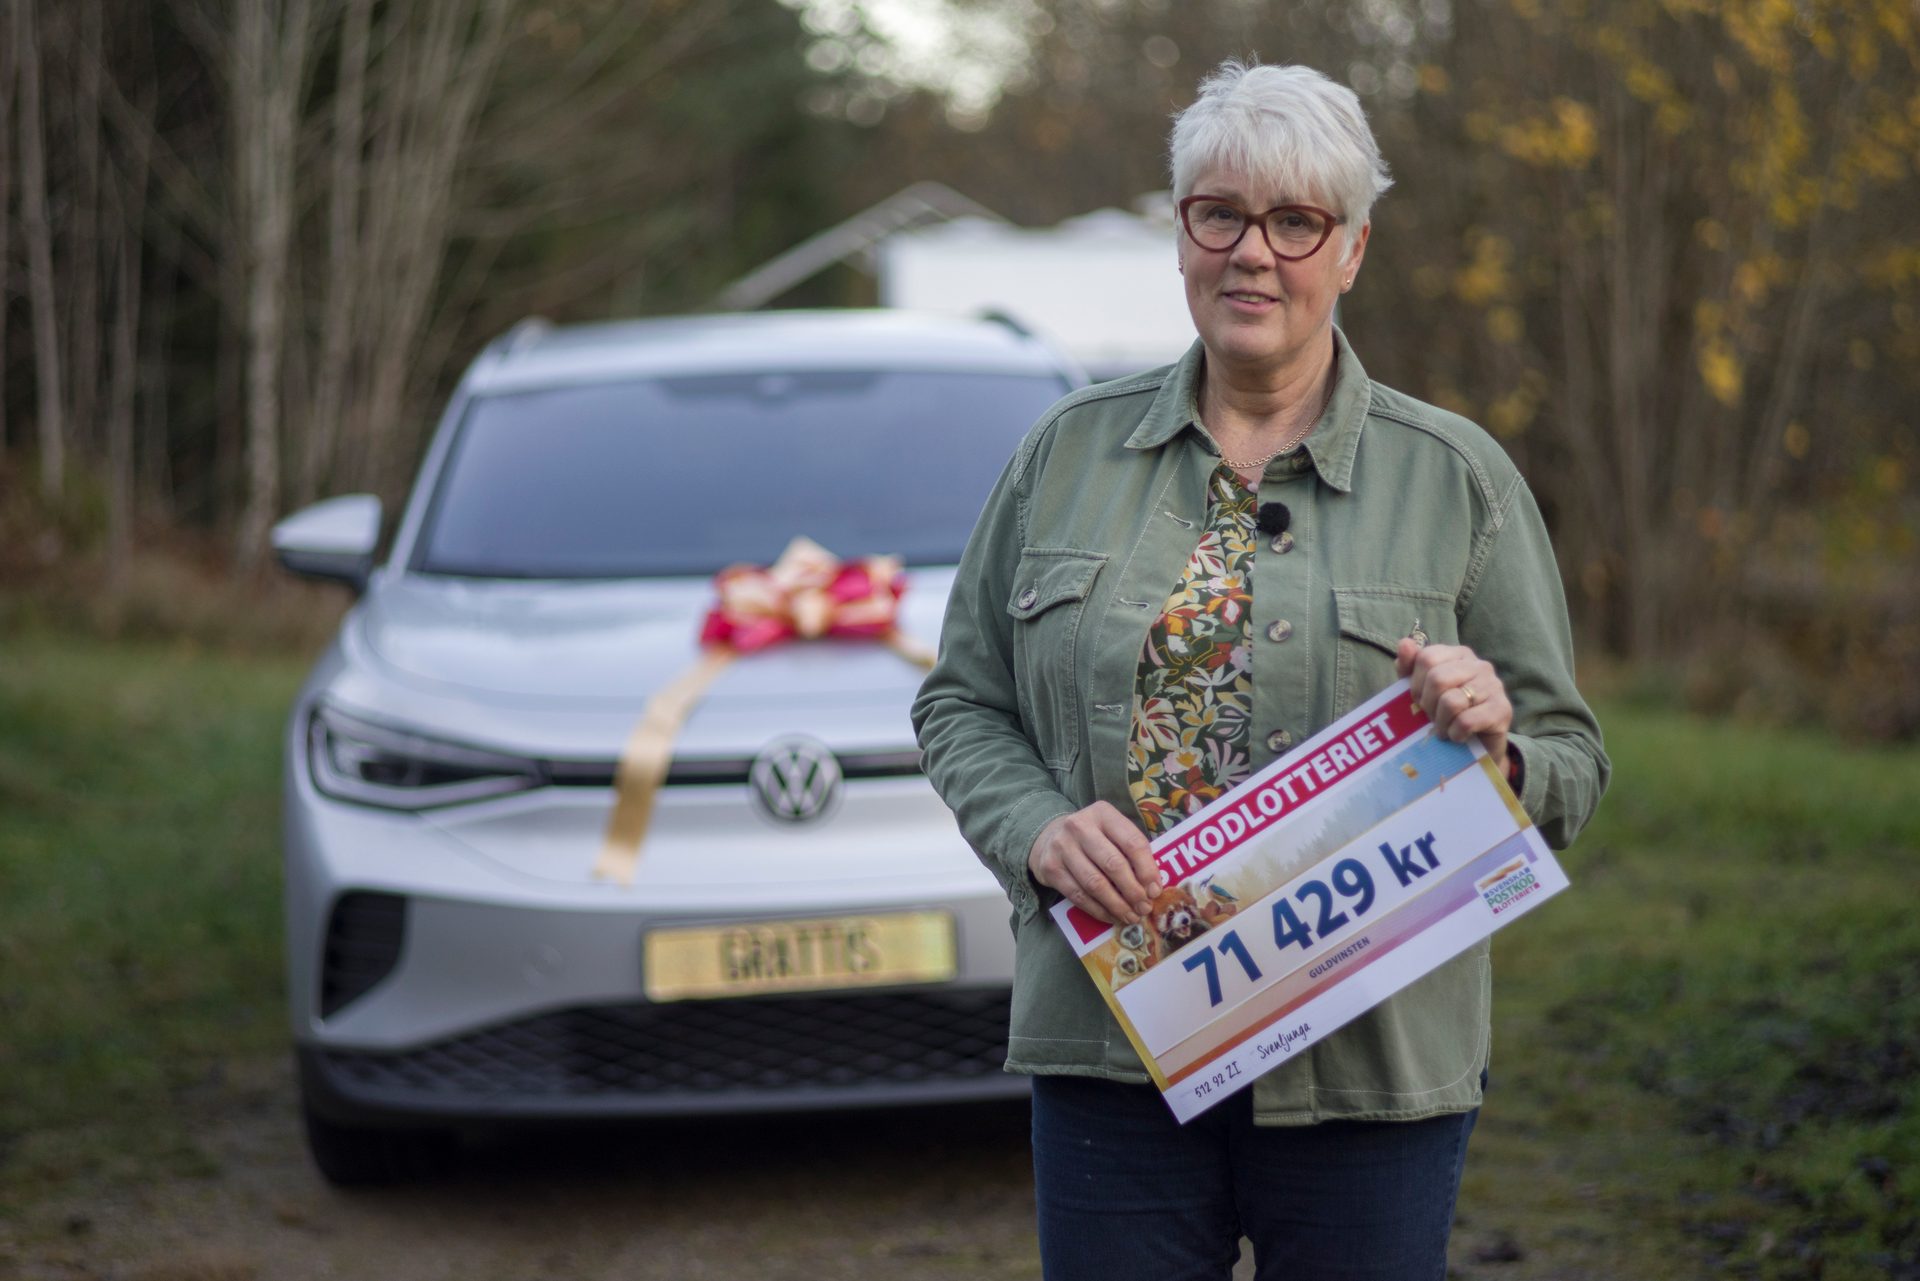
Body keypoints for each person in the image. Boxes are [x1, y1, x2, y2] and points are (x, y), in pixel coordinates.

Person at [911, 59, 1610, 1281]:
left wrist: (1495, 746)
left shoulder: (1458, 482)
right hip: (1112, 1051)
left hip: (1370, 1066)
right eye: (1219, 213)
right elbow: (961, 698)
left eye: (1297, 222)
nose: (1252, 253)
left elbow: (1572, 764)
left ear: (1351, 250)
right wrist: (1035, 828)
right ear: (1180, 233)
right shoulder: (1061, 457)